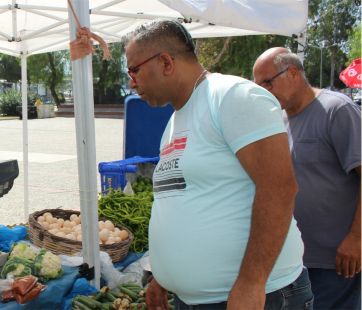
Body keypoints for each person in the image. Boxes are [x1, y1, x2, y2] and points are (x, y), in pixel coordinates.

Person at [122, 20, 311, 310]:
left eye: (134, 70)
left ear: (165, 62)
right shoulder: (175, 120)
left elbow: (279, 188)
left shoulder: (232, 96)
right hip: (196, 300)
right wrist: (163, 276)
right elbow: (182, 196)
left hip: (256, 297)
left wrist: (252, 283)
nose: (131, 82)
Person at [253, 48, 361, 310]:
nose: (265, 92)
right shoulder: (279, 120)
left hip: (336, 260)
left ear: (293, 73)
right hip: (294, 261)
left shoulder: (337, 110)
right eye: (259, 86)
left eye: (268, 82)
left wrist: (357, 238)